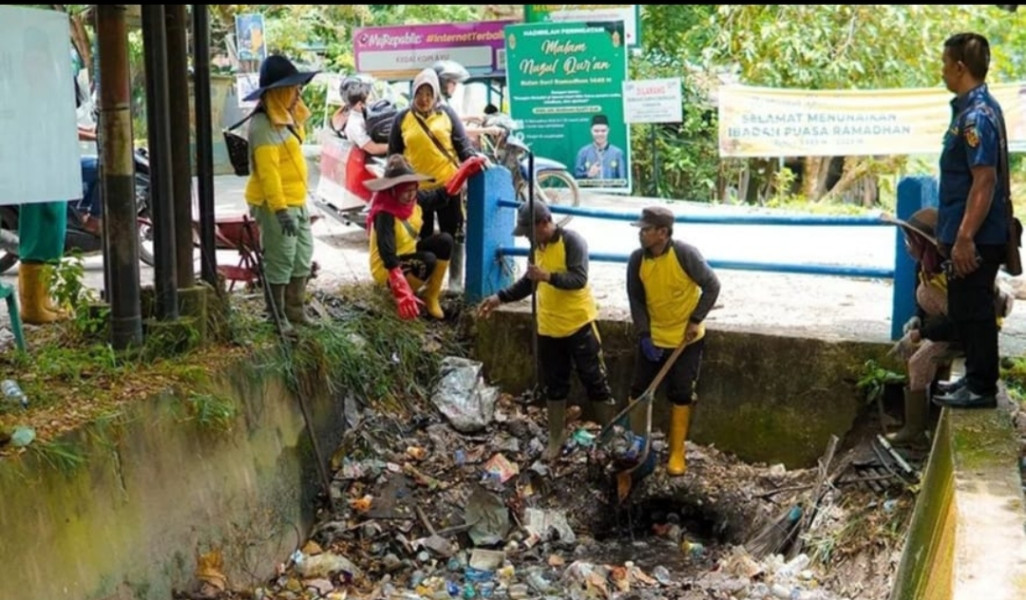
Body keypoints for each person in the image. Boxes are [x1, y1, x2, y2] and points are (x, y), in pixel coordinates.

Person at [477, 200, 617, 461]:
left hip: (579, 323)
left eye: (531, 231)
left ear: (544, 223)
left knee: (594, 378)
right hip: (549, 326)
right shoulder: (536, 247)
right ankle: (555, 437)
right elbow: (528, 283)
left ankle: (609, 434)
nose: (529, 237)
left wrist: (548, 276)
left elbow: (579, 278)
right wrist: (500, 298)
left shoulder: (572, 241)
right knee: (554, 383)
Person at [888, 207, 1014, 445]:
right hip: (947, 322)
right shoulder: (925, 265)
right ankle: (917, 427)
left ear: (924, 243)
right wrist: (917, 318)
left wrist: (921, 333)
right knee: (924, 295)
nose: (907, 244)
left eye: (910, 239)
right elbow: (926, 304)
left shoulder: (952, 272)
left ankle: (915, 428)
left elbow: (961, 317)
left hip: (965, 329)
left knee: (918, 362)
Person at [931, 33, 1010, 410]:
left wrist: (964, 237)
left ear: (960, 67)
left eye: (945, 64)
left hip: (978, 234)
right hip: (972, 231)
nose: (942, 71)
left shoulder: (977, 115)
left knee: (974, 307)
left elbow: (985, 179)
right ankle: (975, 379)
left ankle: (981, 387)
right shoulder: (972, 110)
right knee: (965, 305)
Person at [626, 206, 720, 476]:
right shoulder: (637, 260)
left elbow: (712, 286)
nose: (641, 234)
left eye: (646, 230)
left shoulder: (685, 255)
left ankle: (677, 450)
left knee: (681, 392)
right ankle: (638, 442)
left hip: (685, 339)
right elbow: (636, 299)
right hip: (653, 337)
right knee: (639, 389)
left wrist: (696, 319)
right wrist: (644, 335)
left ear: (663, 233)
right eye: (641, 229)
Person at [243, 54, 319, 332]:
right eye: (293, 88)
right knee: (280, 257)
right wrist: (279, 209)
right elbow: (268, 173)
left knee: (301, 256)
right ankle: (276, 315)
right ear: (278, 91)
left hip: (296, 201)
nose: (298, 93)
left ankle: (295, 310)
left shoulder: (287, 119)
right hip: (274, 204)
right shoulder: (262, 126)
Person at [388, 67, 476, 243]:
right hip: (417, 192)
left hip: (448, 187)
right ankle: (428, 271)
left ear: (436, 93)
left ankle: (454, 271)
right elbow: (393, 156)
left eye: (429, 93)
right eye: (420, 93)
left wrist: (475, 160)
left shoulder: (447, 114)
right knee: (421, 239)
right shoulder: (402, 118)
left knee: (452, 237)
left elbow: (463, 146)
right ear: (414, 93)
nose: (424, 99)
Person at [366, 155, 453, 321]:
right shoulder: (384, 213)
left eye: (413, 189)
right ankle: (400, 297)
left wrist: (460, 175)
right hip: (387, 267)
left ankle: (430, 296)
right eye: (405, 191)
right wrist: (400, 289)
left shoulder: (415, 200)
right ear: (392, 190)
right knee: (426, 261)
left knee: (445, 241)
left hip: (409, 253)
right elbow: (387, 252)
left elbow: (439, 197)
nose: (410, 195)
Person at [341, 78, 387, 204]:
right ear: (359, 104)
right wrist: (395, 144)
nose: (372, 102)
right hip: (366, 165)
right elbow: (372, 148)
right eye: (370, 100)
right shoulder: (355, 125)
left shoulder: (365, 115)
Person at [574, 114, 626, 181]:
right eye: (596, 131)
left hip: (610, 191)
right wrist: (588, 174)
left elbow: (622, 180)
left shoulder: (617, 153)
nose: (600, 134)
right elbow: (576, 176)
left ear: (608, 130)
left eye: (603, 131)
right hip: (589, 191)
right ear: (591, 131)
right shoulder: (583, 152)